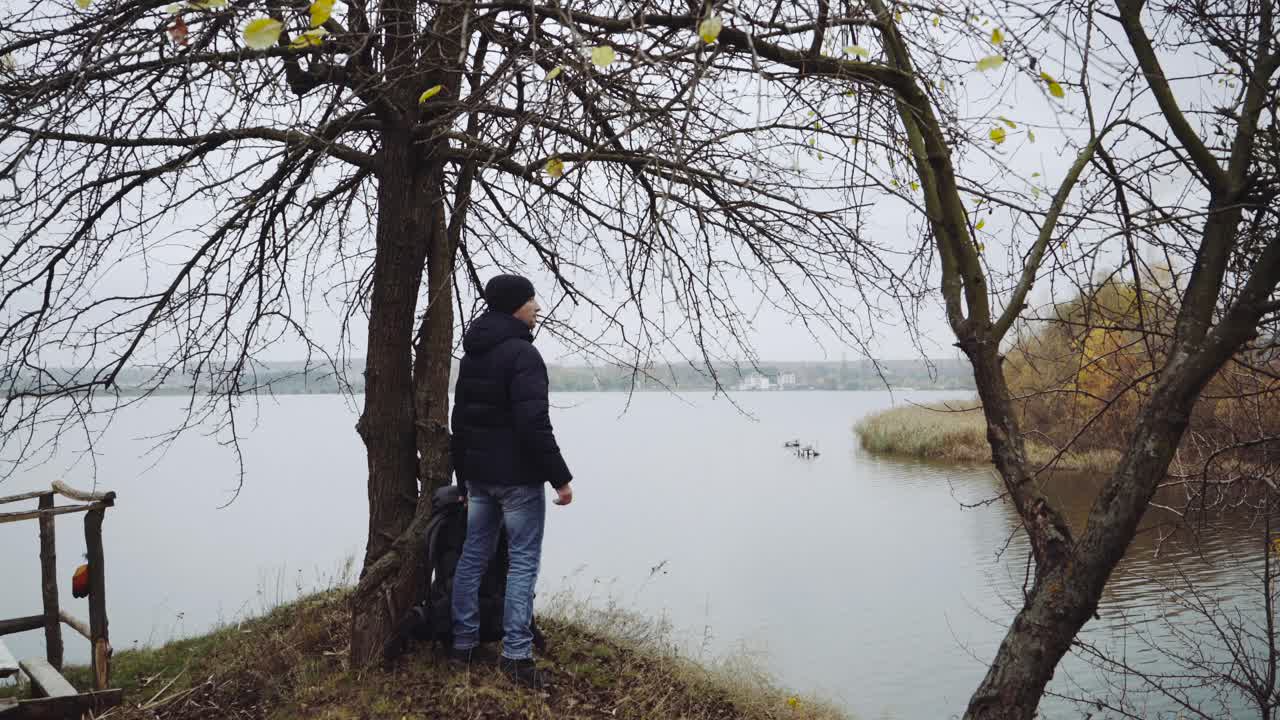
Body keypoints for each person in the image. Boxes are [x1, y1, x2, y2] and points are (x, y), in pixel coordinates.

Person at [449, 274, 574, 690]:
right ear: (515, 307)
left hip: (481, 477)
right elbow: (533, 422)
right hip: (518, 480)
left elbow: (460, 422)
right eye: (531, 300)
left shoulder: (472, 355)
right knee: (522, 562)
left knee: (473, 556)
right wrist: (560, 478)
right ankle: (517, 656)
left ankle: (463, 644)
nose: (538, 307)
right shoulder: (523, 355)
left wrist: (463, 479)